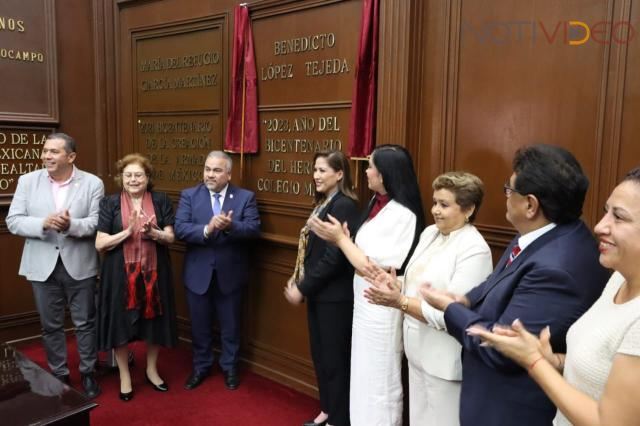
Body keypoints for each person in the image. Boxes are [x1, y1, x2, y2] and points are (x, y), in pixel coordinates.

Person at [420, 144, 611, 426]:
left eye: (509, 191)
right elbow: (499, 279)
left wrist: (450, 309)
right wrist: (467, 300)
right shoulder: (545, 232)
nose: (506, 197)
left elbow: (504, 350)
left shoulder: (556, 269)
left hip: (510, 409)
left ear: (530, 205)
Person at [467, 166, 640, 426]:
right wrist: (554, 360)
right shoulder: (617, 279)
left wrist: (534, 362)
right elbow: (603, 369)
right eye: (606, 212)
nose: (600, 226)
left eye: (619, 217)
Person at [363, 172, 493, 425]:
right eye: (435, 202)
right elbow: (416, 284)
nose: (435, 210)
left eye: (444, 205)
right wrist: (394, 283)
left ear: (469, 209)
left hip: (444, 362)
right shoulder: (430, 233)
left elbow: (453, 314)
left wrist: (398, 301)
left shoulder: (474, 249)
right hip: (416, 351)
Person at [309, 144, 425, 426]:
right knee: (361, 371)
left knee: (379, 375)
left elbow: (370, 266)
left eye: (371, 165)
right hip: (363, 301)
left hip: (381, 304)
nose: (366, 170)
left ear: (386, 173)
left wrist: (341, 239)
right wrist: (348, 239)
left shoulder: (403, 213)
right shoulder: (375, 203)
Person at [6, 132, 104, 398]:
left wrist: (71, 225)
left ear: (71, 156)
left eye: (54, 151)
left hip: (80, 264)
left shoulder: (93, 183)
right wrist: (43, 223)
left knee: (85, 323)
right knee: (50, 326)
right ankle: (59, 375)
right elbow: (13, 220)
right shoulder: (27, 181)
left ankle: (88, 372)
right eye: (45, 150)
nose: (46, 156)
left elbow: (96, 223)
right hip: (41, 264)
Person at [284, 151, 360, 426]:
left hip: (335, 299)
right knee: (321, 357)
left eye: (322, 170)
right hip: (319, 295)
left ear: (339, 174)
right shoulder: (324, 202)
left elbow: (334, 258)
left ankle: (339, 419)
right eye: (314, 170)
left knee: (335, 361)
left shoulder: (345, 206)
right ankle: (327, 410)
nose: (315, 175)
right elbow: (310, 250)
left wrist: (303, 287)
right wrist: (299, 278)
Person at [95, 153, 178, 401]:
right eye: (128, 175)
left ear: (147, 178)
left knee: (154, 323)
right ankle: (124, 375)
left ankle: (151, 370)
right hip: (119, 275)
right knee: (120, 323)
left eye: (138, 175)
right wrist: (128, 231)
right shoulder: (109, 203)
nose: (133, 179)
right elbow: (100, 243)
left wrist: (154, 232)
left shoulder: (161, 200)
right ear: (121, 178)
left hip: (155, 274)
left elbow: (171, 237)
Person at [175, 150, 260, 391]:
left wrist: (231, 226)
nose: (210, 174)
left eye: (216, 170)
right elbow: (181, 229)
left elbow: (253, 229)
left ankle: (230, 368)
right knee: (199, 326)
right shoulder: (190, 195)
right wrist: (207, 229)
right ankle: (201, 366)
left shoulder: (245, 197)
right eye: (207, 169)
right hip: (197, 274)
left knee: (231, 325)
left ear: (229, 174)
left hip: (230, 274)